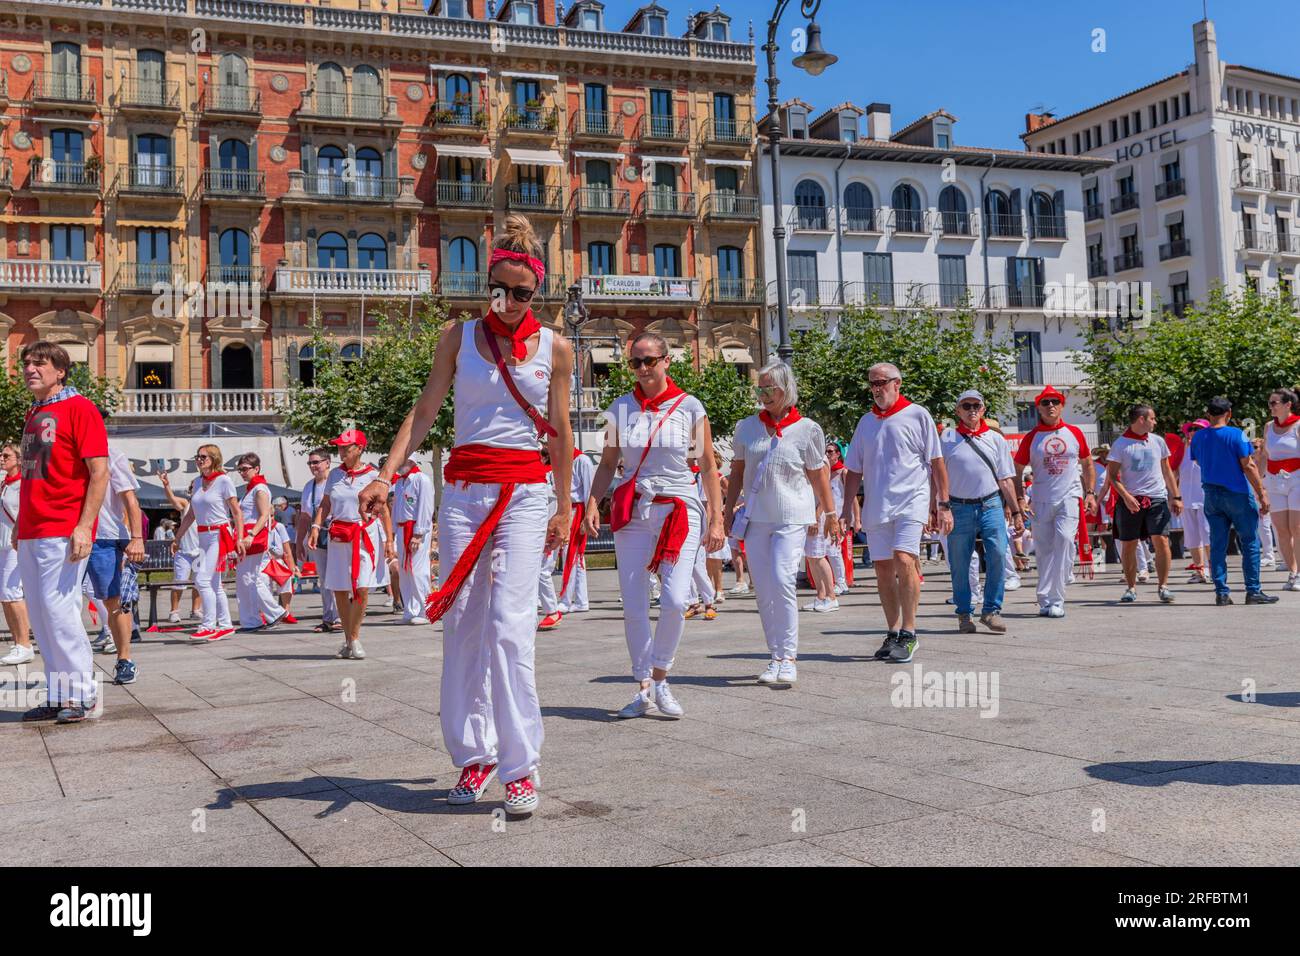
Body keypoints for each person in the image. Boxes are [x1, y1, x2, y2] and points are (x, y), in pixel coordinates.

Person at [356, 212, 573, 816]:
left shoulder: (557, 347)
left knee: (509, 624)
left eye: (521, 294)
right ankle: (474, 757)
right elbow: (424, 412)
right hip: (465, 494)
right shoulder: (457, 337)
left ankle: (520, 767)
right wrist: (385, 472)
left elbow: (559, 431)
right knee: (463, 627)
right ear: (488, 287)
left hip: (525, 494)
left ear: (537, 292)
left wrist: (564, 507)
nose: (507, 303)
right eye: (497, 291)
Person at [588, 332, 723, 715]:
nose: (643, 368)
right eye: (636, 362)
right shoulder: (620, 408)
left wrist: (716, 518)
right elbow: (607, 463)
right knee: (633, 604)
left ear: (667, 361)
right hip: (634, 509)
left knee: (677, 598)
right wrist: (591, 504)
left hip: (678, 506)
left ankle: (662, 676)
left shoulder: (689, 407)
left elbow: (709, 466)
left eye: (650, 360)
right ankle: (643, 686)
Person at [725, 361, 837, 684]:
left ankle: (789, 656)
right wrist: (728, 509)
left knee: (782, 579)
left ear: (785, 388)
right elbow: (736, 473)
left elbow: (818, 474)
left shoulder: (808, 429)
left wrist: (829, 514)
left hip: (792, 517)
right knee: (763, 588)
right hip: (756, 518)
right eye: (759, 388)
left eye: (768, 388)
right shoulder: (746, 427)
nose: (762, 394)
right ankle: (774, 655)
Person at [16, 341, 109, 724]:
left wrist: (85, 526)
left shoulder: (80, 408)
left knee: (60, 611)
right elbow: (30, 476)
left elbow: (99, 473)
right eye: (26, 363)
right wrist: (19, 526)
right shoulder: (35, 412)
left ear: (61, 371)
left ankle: (82, 696)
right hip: (32, 528)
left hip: (63, 526)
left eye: (40, 363)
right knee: (39, 615)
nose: (30, 369)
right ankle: (59, 694)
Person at [842, 363, 950, 663]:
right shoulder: (866, 422)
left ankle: (910, 632)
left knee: (904, 558)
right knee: (883, 569)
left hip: (911, 501)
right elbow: (853, 469)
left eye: (882, 382)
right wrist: (845, 510)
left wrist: (942, 504)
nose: (877, 388)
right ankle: (893, 632)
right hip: (878, 504)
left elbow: (937, 462)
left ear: (897, 383)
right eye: (872, 384)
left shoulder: (917, 414)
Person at [940, 390, 1023, 633]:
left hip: (990, 504)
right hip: (958, 505)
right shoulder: (946, 438)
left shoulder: (996, 439)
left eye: (976, 405)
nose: (972, 410)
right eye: (966, 406)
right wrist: (938, 507)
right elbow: (938, 476)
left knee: (998, 553)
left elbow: (1006, 479)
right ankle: (964, 613)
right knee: (959, 562)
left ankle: (991, 610)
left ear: (983, 409)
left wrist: (1016, 511)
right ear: (958, 411)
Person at [1012, 386, 1097, 618]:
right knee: (1045, 551)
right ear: (1038, 407)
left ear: (1062, 405)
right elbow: (1016, 470)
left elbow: (1088, 464)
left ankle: (1058, 599)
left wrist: (1090, 493)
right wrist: (1020, 498)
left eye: (1055, 401)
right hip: (1040, 500)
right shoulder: (1031, 438)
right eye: (1046, 402)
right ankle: (1045, 599)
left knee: (1066, 540)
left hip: (1069, 498)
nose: (1051, 406)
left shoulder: (1075, 433)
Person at [1189, 396, 1279, 606]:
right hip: (1237, 492)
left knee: (1218, 544)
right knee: (1249, 542)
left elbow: (1199, 462)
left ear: (1208, 415)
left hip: (1211, 493)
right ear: (1228, 414)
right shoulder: (1236, 434)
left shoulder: (1198, 438)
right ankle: (1253, 591)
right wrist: (1262, 492)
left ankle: (1221, 592)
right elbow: (1248, 466)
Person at [308, 430, 387, 659]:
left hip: (363, 534)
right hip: (339, 535)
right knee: (340, 588)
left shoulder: (373, 475)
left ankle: (354, 637)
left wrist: (389, 540)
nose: (341, 451)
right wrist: (315, 527)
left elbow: (384, 509)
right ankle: (349, 639)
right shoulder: (334, 475)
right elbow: (325, 503)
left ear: (360, 448)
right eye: (339, 447)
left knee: (361, 587)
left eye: (346, 447)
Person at [86, 431, 146, 685]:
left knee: (114, 600)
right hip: (66, 536)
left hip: (104, 536)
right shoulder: (65, 452)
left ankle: (125, 660)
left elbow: (130, 500)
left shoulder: (112, 453)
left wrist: (136, 538)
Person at [1107, 404, 1181, 604]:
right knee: (1129, 543)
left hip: (1156, 497)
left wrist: (1176, 496)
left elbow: (1167, 470)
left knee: (1162, 540)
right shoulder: (1120, 444)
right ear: (1141, 419)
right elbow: (1112, 476)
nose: (1155, 422)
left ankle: (1163, 586)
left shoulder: (1158, 441)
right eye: (1152, 418)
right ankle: (1131, 587)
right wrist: (1126, 496)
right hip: (1131, 500)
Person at [173, 445, 241, 640]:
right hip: (203, 535)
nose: (199, 460)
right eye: (198, 456)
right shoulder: (196, 482)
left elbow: (236, 512)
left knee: (201, 580)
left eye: (203, 457)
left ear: (214, 458)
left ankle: (208, 625)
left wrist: (241, 537)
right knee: (214, 583)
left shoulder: (224, 481)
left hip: (219, 533)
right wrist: (177, 538)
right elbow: (191, 514)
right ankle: (226, 625)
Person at [233, 453, 287, 631]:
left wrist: (250, 534)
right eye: (240, 469)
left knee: (250, 579)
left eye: (245, 469)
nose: (242, 472)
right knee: (246, 581)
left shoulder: (259, 488)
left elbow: (265, 515)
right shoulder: (252, 489)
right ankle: (253, 619)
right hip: (247, 539)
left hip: (252, 539)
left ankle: (272, 613)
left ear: (256, 469)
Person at [297, 447, 340, 633]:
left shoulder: (337, 481)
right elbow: (305, 516)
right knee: (324, 578)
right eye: (310, 463)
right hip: (319, 535)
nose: (313, 466)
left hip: (339, 534)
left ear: (327, 463)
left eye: (316, 462)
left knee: (338, 577)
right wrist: (299, 542)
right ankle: (328, 617)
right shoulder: (309, 486)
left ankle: (341, 616)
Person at [1263, 388, 1300, 590]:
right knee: (1282, 530)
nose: (1271, 406)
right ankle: (1292, 572)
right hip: (1275, 480)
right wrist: (1261, 486)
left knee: (1297, 528)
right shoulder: (1268, 427)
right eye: (1270, 403)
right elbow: (1264, 456)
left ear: (1288, 405)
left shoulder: (1298, 425)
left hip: (1297, 479)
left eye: (1274, 403)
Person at [391, 456, 434, 624]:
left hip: (416, 530)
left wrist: (419, 532)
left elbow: (425, 507)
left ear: (410, 461)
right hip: (402, 530)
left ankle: (427, 610)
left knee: (417, 570)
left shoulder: (422, 480)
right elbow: (396, 508)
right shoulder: (400, 482)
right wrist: (393, 533)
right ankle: (410, 610)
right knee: (405, 571)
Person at [0, 444, 32, 666]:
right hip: (2, 544)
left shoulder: (23, 484)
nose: (2, 459)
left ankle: (25, 644)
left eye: (6, 456)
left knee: (12, 591)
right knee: (4, 595)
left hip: (15, 544)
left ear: (19, 460)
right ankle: (17, 642)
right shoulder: (4, 483)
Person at [159, 471, 202, 623]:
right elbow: (172, 500)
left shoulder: (208, 504)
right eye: (194, 487)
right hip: (184, 551)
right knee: (179, 582)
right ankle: (174, 611)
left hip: (201, 551)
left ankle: (196, 609)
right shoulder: (186, 504)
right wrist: (166, 485)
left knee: (199, 582)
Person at [558, 448, 595, 615]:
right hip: (566, 509)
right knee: (575, 556)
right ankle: (581, 600)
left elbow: (589, 491)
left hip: (576, 510)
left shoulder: (582, 461)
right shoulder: (560, 458)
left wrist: (587, 516)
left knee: (571, 555)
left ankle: (566, 599)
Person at [1178, 420, 1212, 584]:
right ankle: (1200, 570)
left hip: (1205, 497)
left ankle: (1214, 569)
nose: (1192, 431)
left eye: (1197, 429)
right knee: (1192, 536)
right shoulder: (1182, 450)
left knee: (1208, 534)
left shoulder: (1210, 448)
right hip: (1186, 498)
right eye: (1190, 429)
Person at [825, 442, 855, 594]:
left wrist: (856, 520)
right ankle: (837, 582)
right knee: (829, 549)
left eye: (830, 451)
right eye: (826, 451)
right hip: (827, 517)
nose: (828, 454)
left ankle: (841, 583)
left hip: (840, 517)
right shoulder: (825, 472)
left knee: (833, 549)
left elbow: (853, 498)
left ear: (838, 454)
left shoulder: (843, 472)